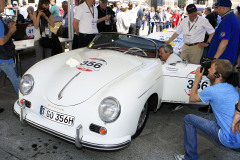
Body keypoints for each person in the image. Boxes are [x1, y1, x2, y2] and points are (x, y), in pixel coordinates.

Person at [174, 59, 240, 160]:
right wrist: (211, 79)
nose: (208, 69)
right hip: (238, 138)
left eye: (211, 68)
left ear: (218, 75)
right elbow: (214, 90)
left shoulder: (212, 91)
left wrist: (197, 79)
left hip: (227, 139)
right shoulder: (231, 88)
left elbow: (192, 98)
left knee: (189, 119)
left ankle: (190, 158)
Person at [208, 0, 240, 66]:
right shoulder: (233, 17)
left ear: (223, 8)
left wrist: (214, 59)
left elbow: (224, 41)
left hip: (222, 60)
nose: (216, 10)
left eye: (217, 8)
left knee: (218, 76)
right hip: (227, 59)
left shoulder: (227, 20)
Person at [0, 0, 20, 96]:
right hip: (4, 57)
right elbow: (2, 41)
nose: (5, 6)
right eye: (3, 3)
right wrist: (11, 31)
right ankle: (24, 104)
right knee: (17, 81)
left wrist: (7, 27)